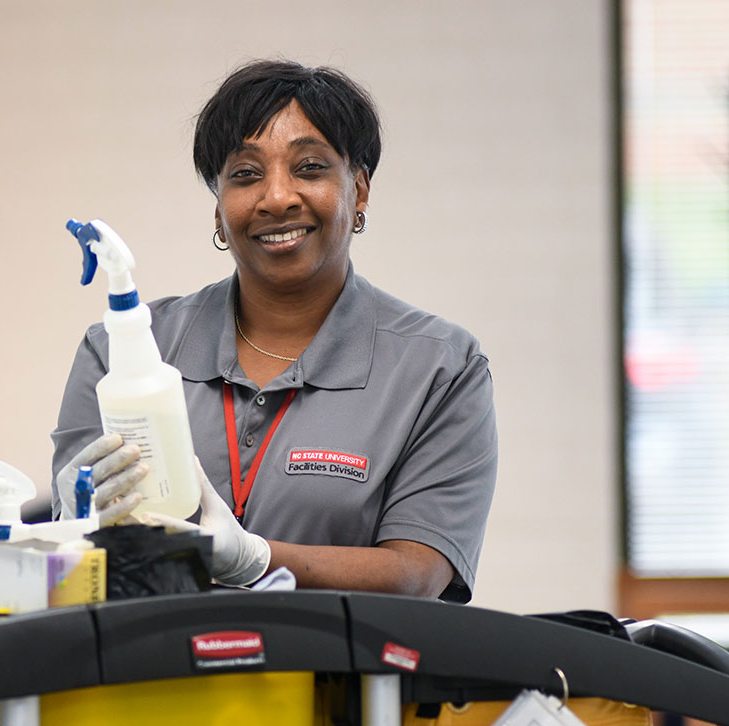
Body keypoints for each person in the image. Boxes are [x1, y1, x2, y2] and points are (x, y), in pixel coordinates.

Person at [51, 59, 496, 603]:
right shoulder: (117, 353)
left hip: (338, 682)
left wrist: (255, 558)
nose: (278, 196)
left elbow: (417, 574)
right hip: (148, 676)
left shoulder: (439, 368)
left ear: (358, 190)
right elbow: (72, 555)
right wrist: (69, 519)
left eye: (309, 168)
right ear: (218, 209)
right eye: (245, 174)